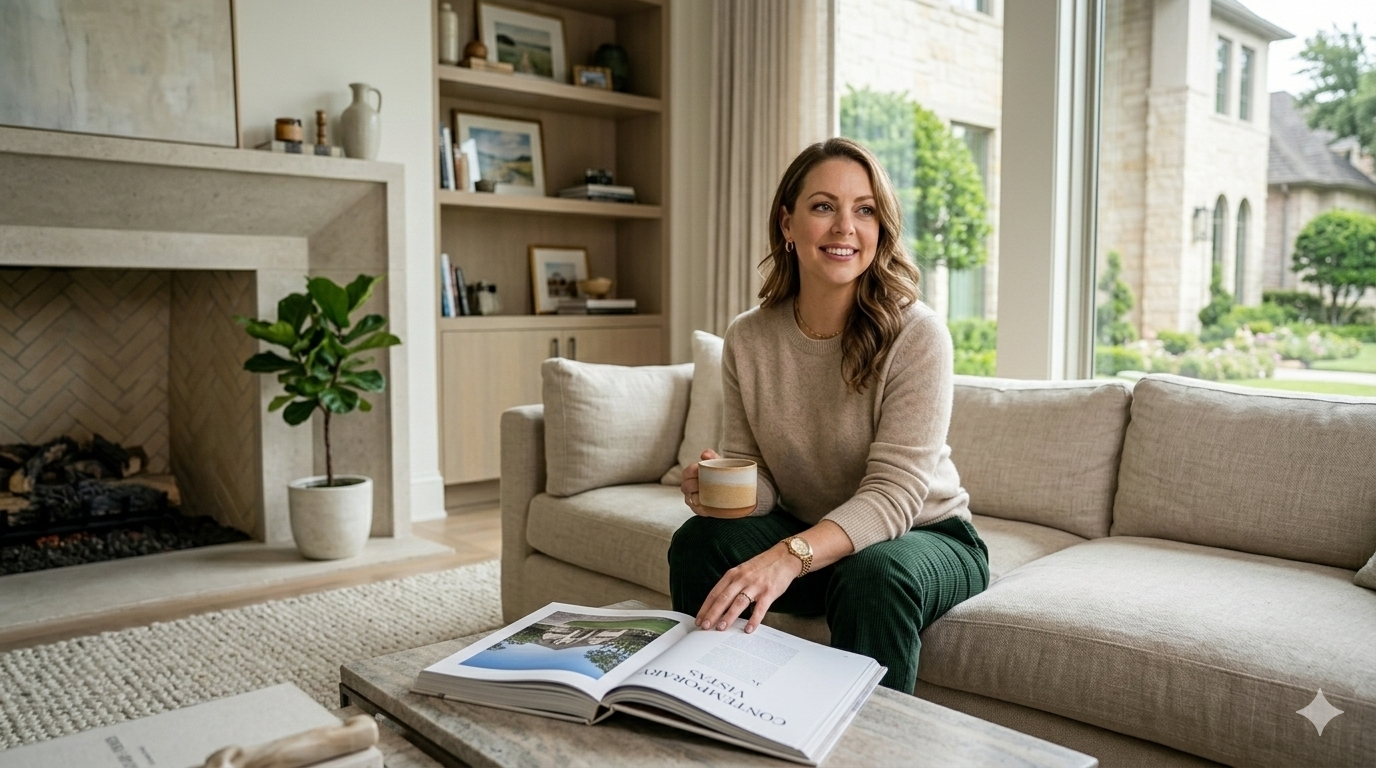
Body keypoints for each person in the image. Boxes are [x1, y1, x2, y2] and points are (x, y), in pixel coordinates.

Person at [669, 137, 989, 693]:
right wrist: (728, 490)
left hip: (928, 536)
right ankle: (707, 706)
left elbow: (893, 498)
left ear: (880, 230)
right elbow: (760, 476)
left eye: (864, 210)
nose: (845, 227)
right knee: (700, 540)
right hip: (816, 535)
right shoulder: (748, 336)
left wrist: (789, 556)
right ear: (788, 224)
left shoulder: (917, 334)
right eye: (823, 206)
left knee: (876, 573)